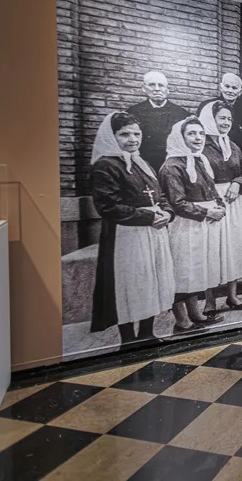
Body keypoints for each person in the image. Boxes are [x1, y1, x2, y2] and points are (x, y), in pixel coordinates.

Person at [89, 112, 175, 345]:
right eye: (124, 134)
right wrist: (148, 216)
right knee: (129, 284)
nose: (132, 139)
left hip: (153, 231)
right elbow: (109, 206)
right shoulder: (105, 165)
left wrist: (167, 213)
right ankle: (128, 339)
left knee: (151, 280)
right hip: (127, 235)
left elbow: (160, 195)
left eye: (136, 134)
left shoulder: (141, 162)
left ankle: (147, 333)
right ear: (111, 136)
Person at [159, 117, 226, 333]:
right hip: (184, 226)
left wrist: (220, 206)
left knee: (196, 271)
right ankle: (182, 321)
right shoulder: (172, 166)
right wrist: (207, 212)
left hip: (201, 225)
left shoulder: (199, 160)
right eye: (191, 133)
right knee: (183, 271)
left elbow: (212, 189)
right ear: (180, 137)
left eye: (201, 133)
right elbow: (177, 203)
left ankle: (196, 314)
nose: (198, 138)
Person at [197, 101, 242, 315]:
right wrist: (213, 194)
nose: (226, 122)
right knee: (212, 249)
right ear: (211, 119)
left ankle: (232, 295)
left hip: (233, 202)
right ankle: (210, 300)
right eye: (222, 118)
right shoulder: (201, 145)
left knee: (233, 247)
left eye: (229, 119)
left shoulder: (234, 146)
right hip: (212, 201)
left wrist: (237, 183)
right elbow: (197, 174)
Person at [127, 71, 189, 172]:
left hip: (174, 166)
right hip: (142, 165)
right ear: (144, 88)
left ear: (167, 90)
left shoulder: (182, 114)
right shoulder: (133, 112)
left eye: (161, 85)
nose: (157, 89)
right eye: (152, 85)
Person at [198, 73, 242, 147]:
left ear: (240, 92)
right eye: (227, 86)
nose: (230, 91)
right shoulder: (208, 106)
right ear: (221, 88)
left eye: (234, 88)